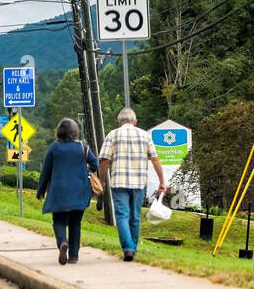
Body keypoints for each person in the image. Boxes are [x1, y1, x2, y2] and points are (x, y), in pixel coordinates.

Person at [98, 107, 166, 262]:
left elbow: (104, 161)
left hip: (118, 182)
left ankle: (128, 247)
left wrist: (101, 181)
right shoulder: (145, 135)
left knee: (122, 215)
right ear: (135, 121)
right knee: (135, 217)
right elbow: (155, 160)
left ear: (119, 122)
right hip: (139, 183)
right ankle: (132, 248)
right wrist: (162, 181)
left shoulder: (112, 135)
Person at [35, 117, 100, 265]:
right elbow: (95, 164)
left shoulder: (53, 148)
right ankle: (74, 256)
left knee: (58, 221)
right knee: (75, 223)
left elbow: (45, 171)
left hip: (59, 191)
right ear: (75, 132)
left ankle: (62, 242)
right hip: (79, 191)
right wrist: (86, 170)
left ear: (59, 132)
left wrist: (41, 191)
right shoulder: (83, 147)